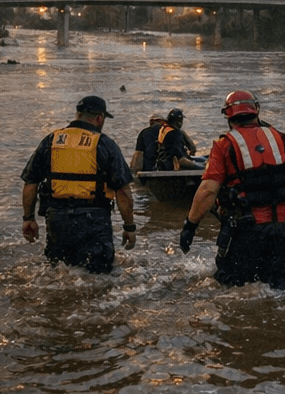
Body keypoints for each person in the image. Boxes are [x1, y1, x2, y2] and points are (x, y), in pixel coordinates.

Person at [179, 90, 285, 288]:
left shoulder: (224, 145)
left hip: (247, 230)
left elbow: (207, 191)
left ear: (228, 115)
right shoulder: (283, 139)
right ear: (256, 110)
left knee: (234, 287)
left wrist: (190, 226)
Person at [20, 95, 137, 274]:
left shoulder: (51, 140)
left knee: (59, 274)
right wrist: (129, 227)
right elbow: (123, 191)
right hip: (94, 220)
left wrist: (28, 219)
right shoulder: (104, 143)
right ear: (100, 118)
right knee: (100, 278)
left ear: (77, 114)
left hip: (57, 219)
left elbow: (31, 183)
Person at [131, 108, 199, 172]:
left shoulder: (144, 133)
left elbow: (138, 156)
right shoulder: (175, 132)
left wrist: (135, 172)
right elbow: (192, 149)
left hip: (153, 168)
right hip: (169, 167)